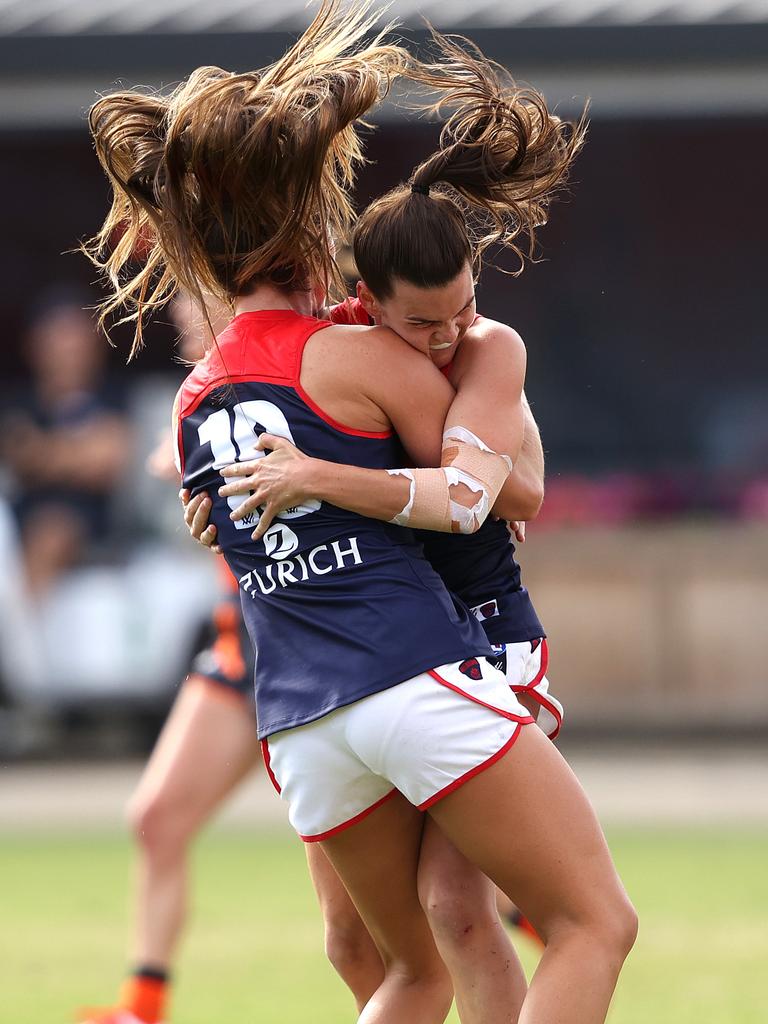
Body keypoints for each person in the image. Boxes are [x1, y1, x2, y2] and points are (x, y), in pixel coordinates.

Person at [85, 5, 636, 1023]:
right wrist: (490, 378)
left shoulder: (195, 396)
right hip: (410, 671)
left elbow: (231, 525)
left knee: (411, 966)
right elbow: (501, 494)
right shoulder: (359, 355)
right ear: (309, 226)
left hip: (299, 719)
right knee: (595, 923)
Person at [74, 295, 263, 1024]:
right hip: (237, 652)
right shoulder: (210, 386)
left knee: (433, 881)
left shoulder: (288, 363)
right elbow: (166, 461)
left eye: (195, 296)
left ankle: (541, 919)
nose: (181, 313)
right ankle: (142, 1008)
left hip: (310, 656)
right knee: (156, 818)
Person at [0, 289, 131, 595]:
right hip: (21, 514)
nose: (71, 347)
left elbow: (110, 457)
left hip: (94, 520)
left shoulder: (114, 395)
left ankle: (21, 641)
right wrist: (77, 454)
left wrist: (43, 453)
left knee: (52, 532)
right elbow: (18, 454)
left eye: (78, 335)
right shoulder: (20, 401)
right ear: (35, 345)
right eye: (60, 336)